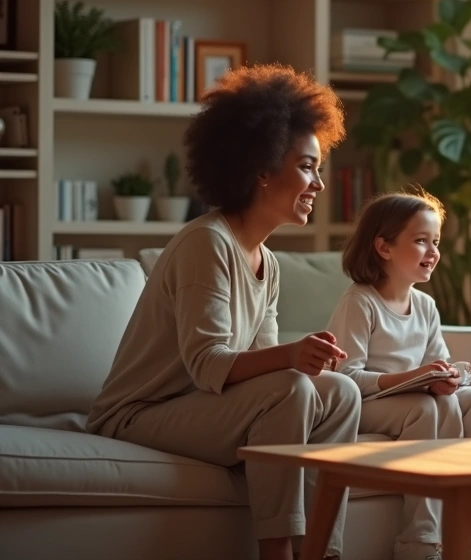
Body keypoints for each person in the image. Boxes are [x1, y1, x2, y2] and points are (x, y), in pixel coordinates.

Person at [86, 64, 360, 560]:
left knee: (339, 393)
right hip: (141, 415)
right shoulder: (205, 243)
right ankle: (276, 553)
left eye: (317, 168)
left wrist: (301, 358)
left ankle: (322, 550)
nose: (318, 183)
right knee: (294, 386)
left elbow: (260, 362)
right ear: (260, 169)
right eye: (305, 166)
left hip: (207, 408)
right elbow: (210, 365)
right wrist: (292, 357)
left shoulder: (268, 262)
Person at [325, 191, 471, 560]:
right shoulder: (360, 302)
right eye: (420, 241)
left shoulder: (425, 305)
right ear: (384, 248)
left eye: (436, 242)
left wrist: (452, 377)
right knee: (425, 409)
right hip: (368, 404)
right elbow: (345, 377)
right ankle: (419, 540)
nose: (433, 251)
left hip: (414, 398)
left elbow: (438, 362)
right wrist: (413, 379)